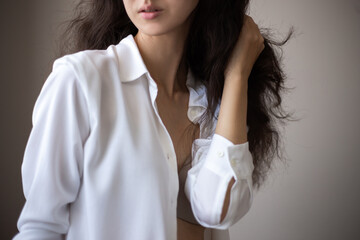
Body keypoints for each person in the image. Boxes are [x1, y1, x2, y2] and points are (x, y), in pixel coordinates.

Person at [14, 0, 293, 239]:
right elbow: (40, 227)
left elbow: (220, 209)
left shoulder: (214, 101)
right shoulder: (80, 81)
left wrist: (236, 75)